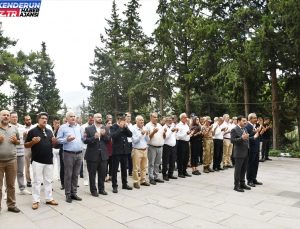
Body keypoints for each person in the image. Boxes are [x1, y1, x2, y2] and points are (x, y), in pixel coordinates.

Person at [25, 112, 59, 210]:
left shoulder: (49, 131)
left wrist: (54, 142)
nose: (45, 120)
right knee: (37, 181)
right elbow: (26, 145)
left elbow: (52, 145)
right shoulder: (32, 131)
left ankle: (49, 198)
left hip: (49, 160)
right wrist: (32, 142)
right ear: (38, 119)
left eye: (46, 119)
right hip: (37, 161)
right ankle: (36, 200)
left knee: (48, 180)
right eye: (42, 118)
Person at [57, 111, 83, 203]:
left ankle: (74, 193)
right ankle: (68, 194)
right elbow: (58, 140)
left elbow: (82, 138)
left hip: (79, 153)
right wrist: (66, 140)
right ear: (67, 118)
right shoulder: (63, 127)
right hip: (68, 154)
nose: (73, 118)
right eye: (71, 116)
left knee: (76, 174)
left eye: (74, 116)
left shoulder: (79, 127)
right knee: (68, 174)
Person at [0, 110, 21, 213]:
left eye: (8, 115)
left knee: (11, 185)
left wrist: (15, 141)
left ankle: (11, 205)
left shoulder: (14, 128)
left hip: (12, 161)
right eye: (4, 115)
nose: (6, 117)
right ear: (0, 116)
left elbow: (18, 141)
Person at [84, 113, 109, 196]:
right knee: (92, 174)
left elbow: (108, 140)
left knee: (102, 173)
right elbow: (85, 140)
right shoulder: (88, 129)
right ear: (94, 118)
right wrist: (94, 137)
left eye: (101, 117)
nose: (100, 118)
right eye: (98, 117)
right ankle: (93, 190)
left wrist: (103, 134)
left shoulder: (105, 128)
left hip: (103, 155)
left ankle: (101, 189)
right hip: (92, 155)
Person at [110, 113, 133, 193]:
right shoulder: (113, 127)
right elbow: (113, 136)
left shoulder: (125, 127)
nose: (123, 121)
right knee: (115, 169)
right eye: (122, 120)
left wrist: (126, 128)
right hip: (116, 151)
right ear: (118, 120)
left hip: (124, 151)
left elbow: (130, 135)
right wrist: (120, 128)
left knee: (124, 169)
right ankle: (114, 186)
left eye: (124, 120)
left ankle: (124, 184)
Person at [10, 111, 31, 195]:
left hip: (21, 152)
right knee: (10, 173)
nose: (15, 118)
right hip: (11, 153)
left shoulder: (22, 127)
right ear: (10, 118)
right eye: (13, 117)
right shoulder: (7, 127)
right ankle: (8, 191)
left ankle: (22, 189)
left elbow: (25, 140)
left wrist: (26, 136)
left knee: (20, 172)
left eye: (16, 117)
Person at [230, 115, 252, 192]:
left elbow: (246, 138)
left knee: (244, 169)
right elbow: (232, 140)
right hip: (239, 153)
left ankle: (242, 183)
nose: (245, 122)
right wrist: (241, 138)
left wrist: (252, 137)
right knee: (238, 170)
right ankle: (236, 186)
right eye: (243, 121)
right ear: (239, 121)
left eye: (245, 121)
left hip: (246, 152)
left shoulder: (245, 128)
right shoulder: (234, 129)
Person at [145, 112, 166, 184]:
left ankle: (156, 176)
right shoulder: (147, 126)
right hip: (152, 147)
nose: (156, 118)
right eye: (154, 117)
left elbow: (163, 137)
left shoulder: (160, 125)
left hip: (160, 147)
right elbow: (147, 138)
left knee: (157, 163)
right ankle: (151, 178)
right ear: (150, 117)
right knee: (151, 163)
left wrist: (164, 133)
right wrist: (153, 132)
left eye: (156, 117)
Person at [131, 115, 150, 189]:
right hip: (137, 150)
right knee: (136, 167)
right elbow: (134, 141)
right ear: (136, 121)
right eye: (140, 120)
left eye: (142, 120)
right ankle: (135, 182)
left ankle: (143, 180)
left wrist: (147, 135)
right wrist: (141, 134)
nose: (142, 121)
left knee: (144, 167)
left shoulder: (145, 128)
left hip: (145, 149)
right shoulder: (133, 129)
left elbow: (147, 140)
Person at [245, 113, 263, 187]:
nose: (256, 119)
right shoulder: (247, 126)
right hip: (251, 148)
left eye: (256, 118)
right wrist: (256, 131)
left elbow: (257, 136)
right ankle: (249, 180)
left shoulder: (254, 125)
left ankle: (254, 178)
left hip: (256, 148)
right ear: (250, 119)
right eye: (255, 118)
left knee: (255, 164)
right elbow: (247, 137)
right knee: (250, 164)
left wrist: (259, 131)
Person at [176, 113, 194, 178]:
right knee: (181, 158)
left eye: (186, 117)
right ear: (181, 118)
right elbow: (178, 136)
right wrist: (186, 134)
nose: (186, 118)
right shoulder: (178, 125)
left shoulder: (186, 125)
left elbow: (187, 134)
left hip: (186, 142)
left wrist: (190, 134)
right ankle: (180, 172)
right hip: (181, 143)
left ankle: (184, 171)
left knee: (186, 158)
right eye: (185, 117)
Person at [162, 116, 178, 180]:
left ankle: (170, 174)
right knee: (166, 161)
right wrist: (171, 131)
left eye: (171, 120)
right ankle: (164, 174)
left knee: (172, 161)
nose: (170, 121)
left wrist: (176, 131)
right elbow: (165, 137)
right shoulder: (164, 128)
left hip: (173, 146)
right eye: (169, 120)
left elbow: (174, 136)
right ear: (165, 121)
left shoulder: (173, 126)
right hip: (166, 146)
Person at [80, 114, 94, 186]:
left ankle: (94, 178)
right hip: (85, 147)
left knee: (94, 163)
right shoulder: (83, 127)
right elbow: (82, 138)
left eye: (92, 120)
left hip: (94, 147)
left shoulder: (96, 126)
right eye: (90, 119)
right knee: (85, 163)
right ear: (88, 119)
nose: (91, 121)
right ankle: (86, 179)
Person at [23, 115, 33, 187]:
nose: (28, 121)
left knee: (36, 164)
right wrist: (24, 135)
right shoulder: (22, 128)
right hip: (26, 148)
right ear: (24, 121)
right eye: (26, 120)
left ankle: (37, 180)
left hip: (35, 148)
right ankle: (28, 181)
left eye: (29, 119)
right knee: (27, 165)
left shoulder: (35, 127)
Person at [125, 112, 133, 176]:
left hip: (131, 143)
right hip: (125, 143)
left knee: (131, 158)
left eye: (130, 116)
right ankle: (124, 171)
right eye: (127, 116)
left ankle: (130, 172)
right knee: (125, 158)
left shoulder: (131, 125)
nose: (129, 117)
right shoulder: (123, 124)